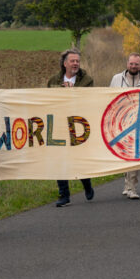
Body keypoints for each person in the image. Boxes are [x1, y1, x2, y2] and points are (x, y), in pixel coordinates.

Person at [47, 48, 95, 207]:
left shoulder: (86, 80)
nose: (75, 64)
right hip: (59, 125)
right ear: (64, 63)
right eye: (72, 61)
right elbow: (47, 101)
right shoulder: (54, 80)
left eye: (77, 61)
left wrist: (71, 93)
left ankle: (87, 184)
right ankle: (64, 194)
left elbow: (89, 100)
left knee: (78, 159)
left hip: (78, 125)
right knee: (60, 160)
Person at [110, 53, 140, 199]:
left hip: (138, 122)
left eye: (136, 64)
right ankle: (127, 183)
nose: (133, 66)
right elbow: (109, 98)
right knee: (125, 155)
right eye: (131, 63)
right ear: (127, 64)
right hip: (120, 122)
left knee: (134, 154)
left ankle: (132, 188)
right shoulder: (116, 79)